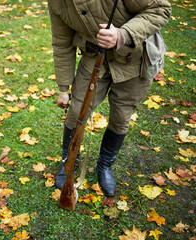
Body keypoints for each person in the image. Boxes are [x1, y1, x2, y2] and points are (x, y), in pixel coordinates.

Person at [48, 0, 171, 196]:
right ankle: (68, 162)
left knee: (121, 117)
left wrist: (121, 35)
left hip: (135, 58)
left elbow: (160, 9)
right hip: (94, 57)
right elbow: (62, 43)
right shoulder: (56, 3)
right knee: (76, 111)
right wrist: (63, 87)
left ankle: (105, 165)